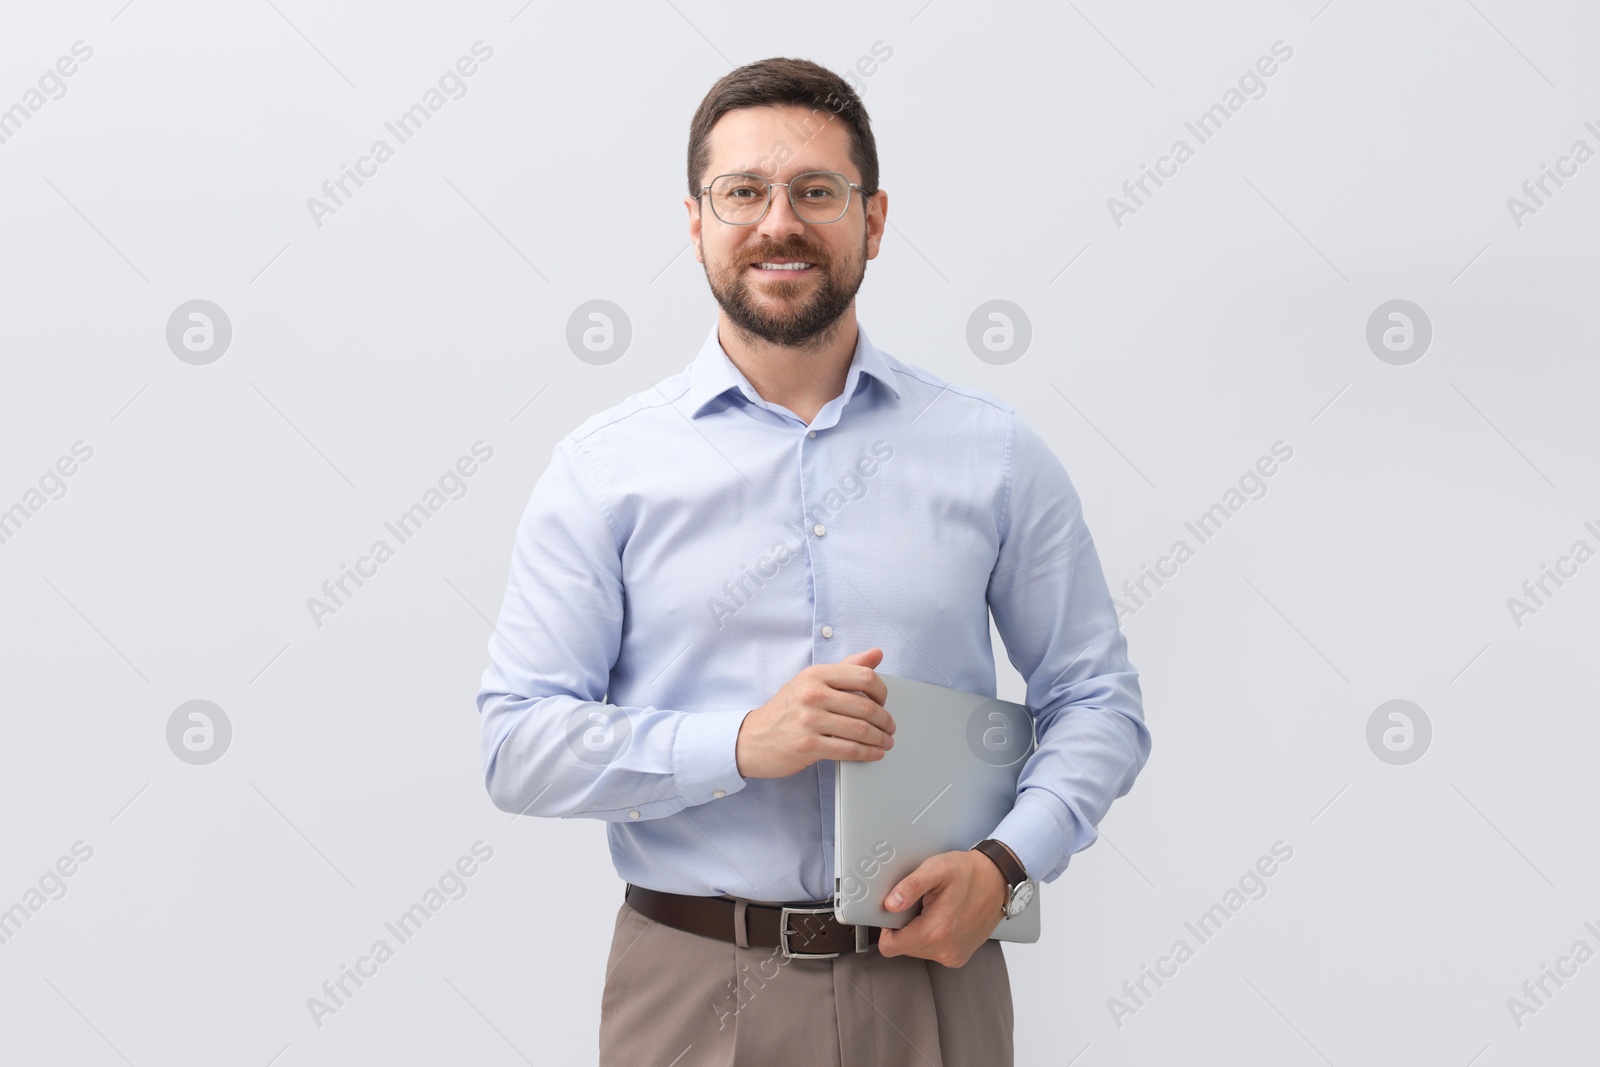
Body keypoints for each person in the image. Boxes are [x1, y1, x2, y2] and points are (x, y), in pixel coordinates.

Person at [476, 55, 1150, 1067]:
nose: (777, 222)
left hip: (935, 980)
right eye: (742, 191)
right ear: (696, 220)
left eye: (815, 192)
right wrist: (742, 741)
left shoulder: (993, 454)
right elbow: (518, 744)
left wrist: (1007, 863)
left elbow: (1098, 698)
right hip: (691, 985)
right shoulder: (603, 471)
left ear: (872, 220)